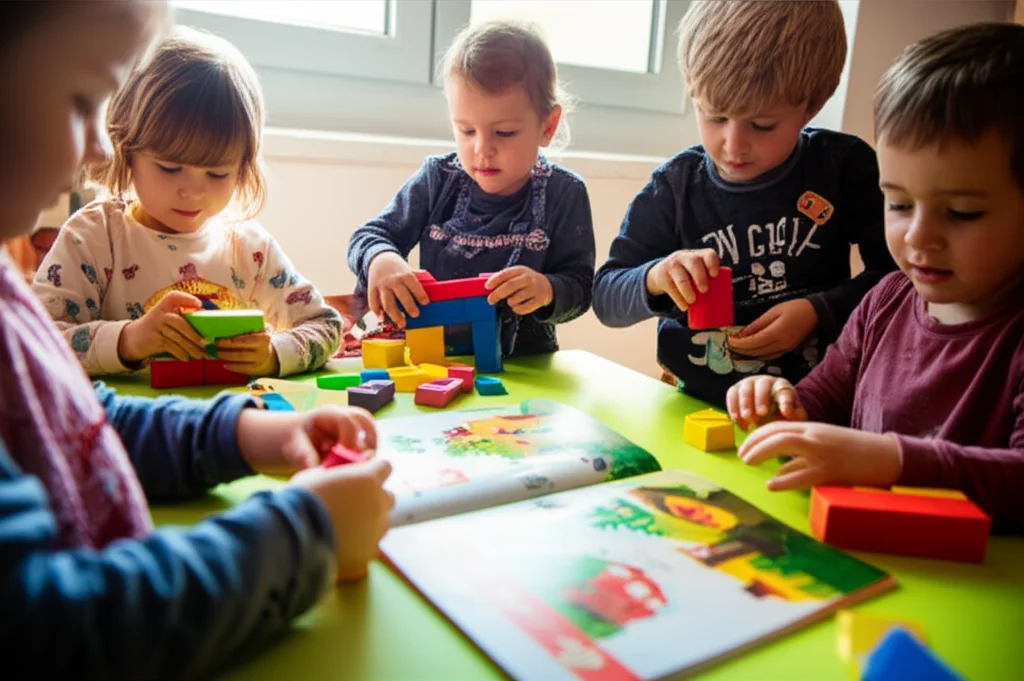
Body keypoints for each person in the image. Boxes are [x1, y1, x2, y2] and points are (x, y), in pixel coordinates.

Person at [0, 2, 393, 676]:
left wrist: (239, 431)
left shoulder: (243, 244)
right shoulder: (94, 235)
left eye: (216, 173)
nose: (101, 145)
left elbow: (75, 419)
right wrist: (301, 533)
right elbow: (52, 630)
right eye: (81, 98)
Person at [726, 23, 1024, 534]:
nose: (919, 237)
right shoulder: (886, 299)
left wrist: (894, 461)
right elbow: (820, 397)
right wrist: (778, 404)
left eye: (963, 212)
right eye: (900, 203)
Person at [592, 0, 896, 407]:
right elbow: (607, 296)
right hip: (693, 402)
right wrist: (656, 276)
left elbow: (897, 278)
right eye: (715, 116)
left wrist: (819, 310)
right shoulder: (675, 187)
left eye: (762, 125)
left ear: (811, 106)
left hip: (809, 404)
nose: (732, 146)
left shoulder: (843, 169)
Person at [32, 25, 341, 378]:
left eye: (217, 174)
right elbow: (35, 343)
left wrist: (274, 354)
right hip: (127, 426)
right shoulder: (93, 236)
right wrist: (128, 341)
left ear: (242, 169)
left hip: (233, 423)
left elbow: (326, 324)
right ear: (127, 149)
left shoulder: (250, 248)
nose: (193, 192)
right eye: (169, 168)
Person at [347, 20, 595, 357]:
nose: (482, 149)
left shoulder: (564, 193)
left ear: (547, 126)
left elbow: (581, 287)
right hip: (433, 361)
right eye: (466, 130)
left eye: (504, 132)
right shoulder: (438, 178)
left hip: (525, 366)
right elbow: (370, 235)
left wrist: (547, 289)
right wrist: (382, 259)